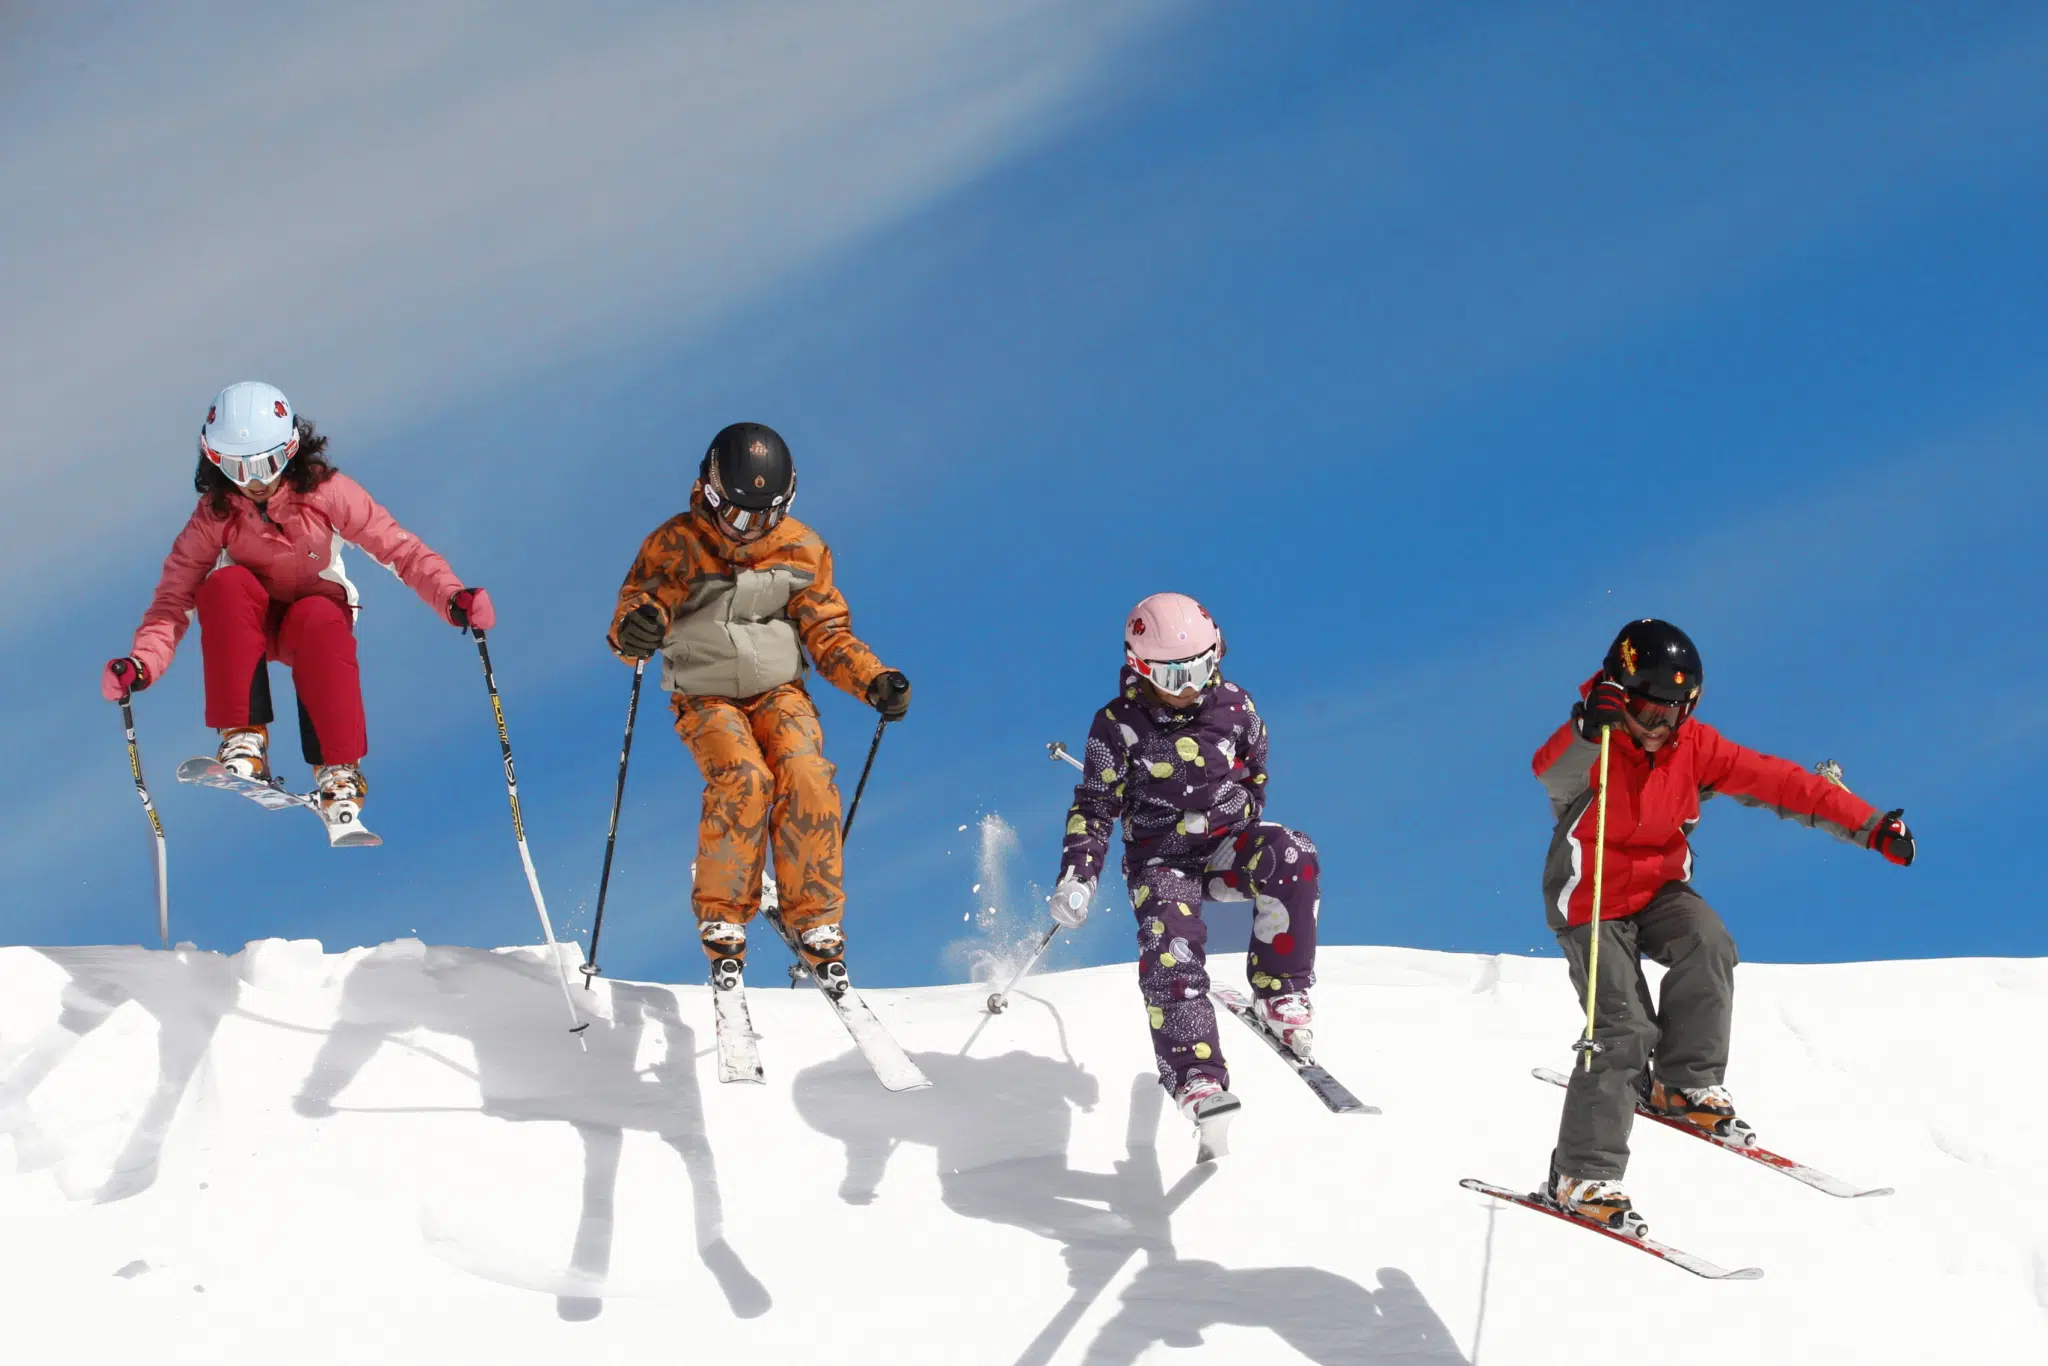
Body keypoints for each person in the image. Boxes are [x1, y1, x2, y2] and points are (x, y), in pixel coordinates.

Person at [1533, 618, 1915, 1233]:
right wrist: (1586, 727)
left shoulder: (1695, 748)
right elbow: (1550, 773)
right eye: (1645, 712)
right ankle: (1581, 1173)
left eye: (1671, 715)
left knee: (1710, 942)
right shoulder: (1597, 743)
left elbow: (1785, 783)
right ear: (1617, 694)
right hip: (1591, 901)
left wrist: (1869, 826)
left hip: (1658, 890)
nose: (1657, 729)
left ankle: (1683, 1084)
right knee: (1623, 1028)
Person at [101, 382, 491, 831]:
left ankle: (339, 770)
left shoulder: (328, 494)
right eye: (235, 467)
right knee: (224, 585)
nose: (253, 482)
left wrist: (452, 597)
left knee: (321, 615)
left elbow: (400, 551)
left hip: (313, 622)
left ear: (290, 451)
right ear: (215, 463)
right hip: (251, 624)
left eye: (266, 464)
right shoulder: (215, 515)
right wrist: (141, 663)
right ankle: (243, 738)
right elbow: (173, 599)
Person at [607, 422, 909, 995]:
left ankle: (816, 918)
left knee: (806, 775)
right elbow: (635, 611)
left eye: (766, 516)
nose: (751, 530)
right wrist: (636, 630)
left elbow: (828, 634)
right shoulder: (676, 544)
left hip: (779, 691)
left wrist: (874, 680)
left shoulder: (802, 548)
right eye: (741, 517)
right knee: (745, 779)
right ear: (711, 493)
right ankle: (723, 910)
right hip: (705, 693)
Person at [1047, 592, 1319, 1131]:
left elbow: (1255, 769)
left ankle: (1280, 990)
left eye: (1201, 668)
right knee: (1171, 952)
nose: (1190, 687)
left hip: (1224, 846)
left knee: (1294, 852)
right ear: (1141, 669)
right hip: (1161, 862)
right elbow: (1095, 808)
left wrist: (1239, 816)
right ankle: (1196, 1076)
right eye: (1173, 678)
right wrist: (1078, 877)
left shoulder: (1236, 706)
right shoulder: (1116, 725)